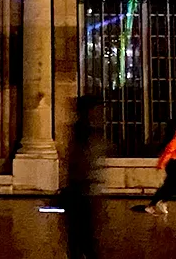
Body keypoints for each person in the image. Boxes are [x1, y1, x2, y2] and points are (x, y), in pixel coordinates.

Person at [62, 94, 107, 259]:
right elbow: (80, 160)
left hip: (84, 190)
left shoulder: (84, 129)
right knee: (84, 240)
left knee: (80, 240)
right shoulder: (84, 130)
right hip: (83, 191)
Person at [137, 117, 176, 219]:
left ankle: (159, 203)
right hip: (175, 164)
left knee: (173, 186)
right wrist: (161, 164)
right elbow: (168, 153)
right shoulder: (173, 140)